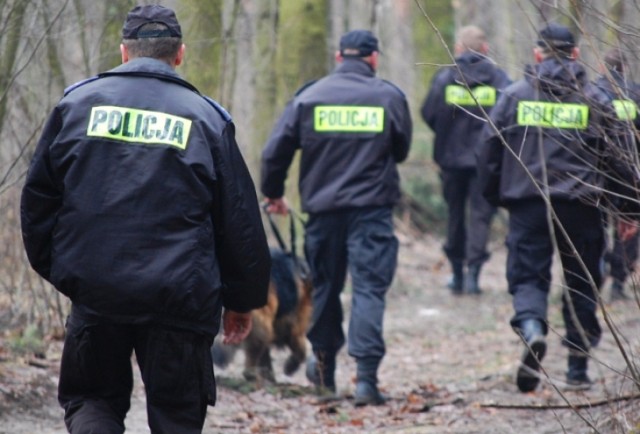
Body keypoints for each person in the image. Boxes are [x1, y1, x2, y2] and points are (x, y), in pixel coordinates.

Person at [20, 5, 270, 433]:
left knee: (92, 402)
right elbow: (239, 222)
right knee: (176, 416)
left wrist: (71, 273)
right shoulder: (206, 119)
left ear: (123, 53)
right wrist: (241, 300)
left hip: (98, 291)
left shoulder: (77, 107)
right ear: (180, 55)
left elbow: (39, 203)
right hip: (179, 297)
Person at [477, 23, 638, 393]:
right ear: (576, 55)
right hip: (582, 204)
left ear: (537, 54)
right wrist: (628, 210)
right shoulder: (596, 102)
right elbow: (618, 160)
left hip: (528, 203)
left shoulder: (513, 97)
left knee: (528, 275)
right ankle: (578, 367)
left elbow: (488, 152)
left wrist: (498, 196)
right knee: (581, 282)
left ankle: (533, 327)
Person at [261, 29, 412, 406]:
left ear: (338, 56)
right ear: (374, 59)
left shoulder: (309, 98)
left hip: (323, 214)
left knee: (325, 289)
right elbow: (402, 149)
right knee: (368, 289)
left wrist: (275, 193)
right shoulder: (389, 96)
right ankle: (366, 379)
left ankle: (324, 372)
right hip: (372, 213)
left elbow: (274, 151)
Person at [421, 25, 510, 295]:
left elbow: (428, 112)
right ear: (485, 49)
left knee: (455, 216)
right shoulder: (499, 79)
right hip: (487, 160)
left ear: (458, 49)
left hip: (450, 161)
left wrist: (448, 135)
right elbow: (509, 116)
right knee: (481, 217)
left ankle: (458, 275)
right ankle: (473, 276)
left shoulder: (445, 78)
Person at [594, 47, 640, 302]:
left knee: (597, 223)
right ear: (626, 68)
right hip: (631, 172)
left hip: (597, 172)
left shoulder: (592, 93)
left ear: (602, 68)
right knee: (628, 228)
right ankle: (619, 282)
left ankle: (599, 266)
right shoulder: (637, 94)